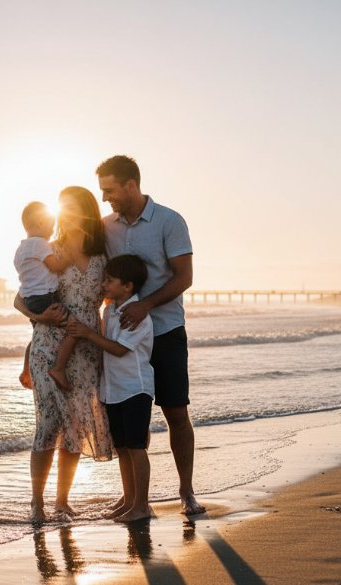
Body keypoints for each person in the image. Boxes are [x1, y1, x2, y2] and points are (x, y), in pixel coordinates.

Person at [97, 155, 207, 515]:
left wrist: (146, 305)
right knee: (132, 416)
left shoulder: (169, 221)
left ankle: (186, 491)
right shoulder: (106, 226)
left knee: (176, 412)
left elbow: (183, 277)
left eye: (109, 190)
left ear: (131, 185)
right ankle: (134, 497)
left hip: (166, 330)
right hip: (125, 336)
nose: (105, 198)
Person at [14, 186, 113, 523]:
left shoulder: (103, 256)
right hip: (48, 344)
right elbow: (20, 297)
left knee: (75, 423)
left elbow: (117, 291)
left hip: (85, 346)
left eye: (74, 209)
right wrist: (40, 316)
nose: (68, 216)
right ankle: (37, 503)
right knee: (48, 424)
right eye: (63, 210)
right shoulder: (50, 250)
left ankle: (62, 501)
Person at [66, 254, 155, 523]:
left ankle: (142, 505)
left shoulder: (136, 315)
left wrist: (86, 333)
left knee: (137, 448)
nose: (103, 285)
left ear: (128, 286)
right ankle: (129, 501)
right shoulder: (110, 310)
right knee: (124, 449)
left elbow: (117, 349)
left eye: (109, 281)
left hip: (135, 389)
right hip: (114, 390)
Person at [14, 201, 78, 392]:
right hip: (46, 298)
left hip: (30, 299)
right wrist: (69, 257)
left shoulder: (20, 249)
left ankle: (26, 369)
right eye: (51, 224)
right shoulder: (40, 244)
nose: (52, 230)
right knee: (74, 328)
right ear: (41, 223)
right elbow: (55, 266)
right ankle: (58, 369)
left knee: (37, 334)